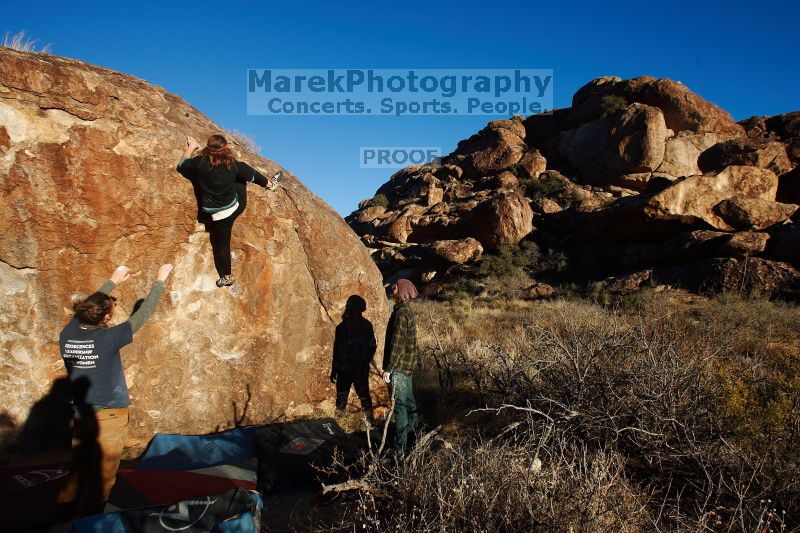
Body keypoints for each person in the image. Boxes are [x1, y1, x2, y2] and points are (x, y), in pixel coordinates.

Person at [56, 263, 173, 520]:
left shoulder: (68, 332)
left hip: (82, 413)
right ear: (106, 319)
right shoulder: (107, 339)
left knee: (78, 468)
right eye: (112, 306)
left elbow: (86, 310)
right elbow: (143, 315)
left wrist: (113, 280)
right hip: (109, 416)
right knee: (104, 475)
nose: (114, 306)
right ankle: (92, 522)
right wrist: (160, 280)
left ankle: (62, 517)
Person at [176, 134, 279, 288]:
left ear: (208, 148)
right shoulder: (233, 165)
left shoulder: (198, 163)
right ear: (226, 147)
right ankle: (271, 185)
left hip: (214, 213)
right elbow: (248, 173)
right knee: (243, 174)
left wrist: (191, 147)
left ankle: (227, 276)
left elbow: (181, 165)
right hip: (234, 208)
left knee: (222, 245)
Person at [381, 279, 420, 452]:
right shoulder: (406, 311)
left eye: (395, 286)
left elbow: (397, 344)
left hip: (399, 369)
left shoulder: (401, 313)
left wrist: (389, 369)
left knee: (400, 408)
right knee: (410, 403)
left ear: (401, 290)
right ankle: (414, 437)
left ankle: (399, 448)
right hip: (407, 366)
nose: (392, 288)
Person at [330, 295, 377, 425]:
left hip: (345, 369)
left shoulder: (341, 327)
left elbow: (336, 351)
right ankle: (370, 423)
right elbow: (372, 347)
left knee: (342, 398)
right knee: (364, 396)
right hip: (359, 369)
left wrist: (334, 370)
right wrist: (364, 361)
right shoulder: (367, 325)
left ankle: (338, 424)